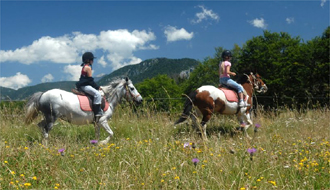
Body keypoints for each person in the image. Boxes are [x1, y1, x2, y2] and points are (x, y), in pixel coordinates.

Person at [76, 52, 103, 118]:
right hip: (85, 86)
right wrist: (97, 87)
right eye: (92, 59)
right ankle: (97, 112)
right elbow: (90, 80)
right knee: (98, 94)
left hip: (82, 85)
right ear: (88, 60)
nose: (93, 61)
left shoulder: (84, 67)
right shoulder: (88, 68)